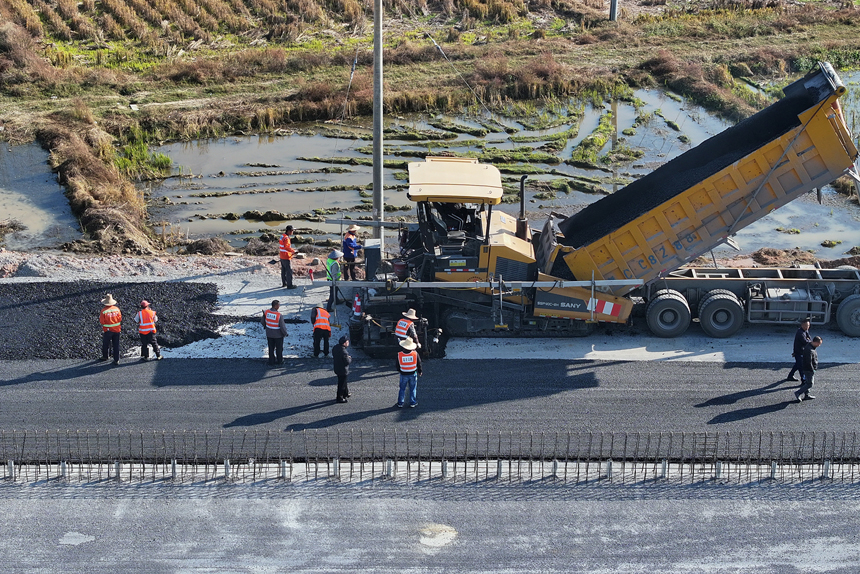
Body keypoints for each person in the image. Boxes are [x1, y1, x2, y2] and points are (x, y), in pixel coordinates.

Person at [395, 338, 422, 408]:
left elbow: (397, 365)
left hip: (403, 374)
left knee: (402, 389)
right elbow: (419, 363)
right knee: (412, 388)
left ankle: (400, 403)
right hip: (413, 374)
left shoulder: (399, 354)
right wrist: (420, 371)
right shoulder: (415, 354)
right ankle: (412, 402)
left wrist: (399, 370)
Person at [795, 336, 823, 403]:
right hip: (808, 369)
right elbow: (808, 361)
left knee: (807, 382)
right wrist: (812, 369)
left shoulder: (811, 347)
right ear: (816, 342)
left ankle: (807, 395)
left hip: (807, 368)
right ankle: (798, 393)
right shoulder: (809, 350)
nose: (819, 345)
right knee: (810, 384)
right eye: (819, 344)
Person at [98, 293, 122, 365]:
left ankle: (105, 356)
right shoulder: (117, 309)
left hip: (108, 330)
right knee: (116, 344)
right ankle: (116, 359)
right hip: (117, 329)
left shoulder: (103, 311)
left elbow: (102, 321)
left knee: (106, 343)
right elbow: (120, 319)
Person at [262, 299, 288, 365]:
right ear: (276, 306)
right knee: (279, 349)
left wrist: (266, 327)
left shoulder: (266, 312)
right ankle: (280, 361)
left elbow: (262, 321)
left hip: (269, 334)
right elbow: (282, 326)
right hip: (278, 335)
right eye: (279, 305)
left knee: (271, 348)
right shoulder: (279, 315)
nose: (279, 306)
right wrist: (285, 333)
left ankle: (271, 361)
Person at [786, 318, 811, 382]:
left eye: (808, 326)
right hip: (799, 352)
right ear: (802, 325)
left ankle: (790, 376)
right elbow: (805, 341)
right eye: (806, 326)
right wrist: (809, 340)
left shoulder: (805, 331)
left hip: (801, 352)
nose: (807, 327)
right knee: (801, 367)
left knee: (797, 365)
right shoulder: (800, 333)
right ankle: (803, 379)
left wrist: (808, 339)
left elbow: (809, 338)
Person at [332, 335, 352, 403]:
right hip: (343, 370)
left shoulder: (335, 348)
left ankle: (346, 393)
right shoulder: (344, 352)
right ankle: (340, 397)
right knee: (342, 384)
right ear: (344, 343)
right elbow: (347, 362)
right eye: (347, 341)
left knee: (344, 382)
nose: (348, 342)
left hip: (337, 368)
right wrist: (349, 358)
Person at [279, 225, 297, 289]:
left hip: (282, 256)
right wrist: (293, 251)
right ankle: (289, 285)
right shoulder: (286, 238)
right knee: (289, 271)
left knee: (283, 270)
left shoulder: (282, 236)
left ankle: (284, 283)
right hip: (286, 256)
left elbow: (283, 246)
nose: (293, 232)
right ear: (289, 231)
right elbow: (287, 247)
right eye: (292, 230)